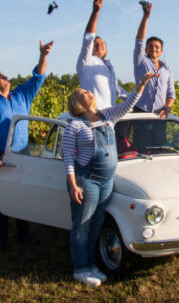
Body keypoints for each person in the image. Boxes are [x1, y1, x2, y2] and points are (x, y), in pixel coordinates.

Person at [62, 71, 158, 287]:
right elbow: (68, 158)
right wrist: (73, 185)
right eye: (84, 92)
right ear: (78, 102)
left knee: (96, 224)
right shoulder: (75, 126)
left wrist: (142, 83)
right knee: (81, 225)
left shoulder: (108, 115)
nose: (89, 92)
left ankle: (93, 263)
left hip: (106, 181)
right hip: (87, 180)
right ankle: (81, 268)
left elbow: (130, 103)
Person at [0, 40, 54, 252]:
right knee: (4, 198)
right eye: (1, 76)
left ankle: (23, 236)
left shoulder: (22, 95)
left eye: (6, 75)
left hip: (24, 153)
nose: (6, 77)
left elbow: (39, 76)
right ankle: (1, 241)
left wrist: (43, 55)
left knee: (23, 194)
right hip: (3, 156)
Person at [76, 0, 128, 110]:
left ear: (107, 50)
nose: (99, 45)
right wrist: (95, 12)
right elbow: (88, 38)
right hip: (93, 117)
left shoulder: (109, 67)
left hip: (110, 120)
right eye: (96, 44)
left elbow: (117, 90)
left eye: (102, 43)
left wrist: (134, 103)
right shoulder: (86, 62)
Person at [133, 1, 175, 117]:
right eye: (150, 47)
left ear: (161, 52)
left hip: (160, 114)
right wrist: (145, 18)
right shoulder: (141, 61)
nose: (153, 49)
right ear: (145, 50)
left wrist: (167, 108)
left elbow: (171, 93)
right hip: (141, 112)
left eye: (157, 47)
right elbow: (139, 41)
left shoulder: (167, 70)